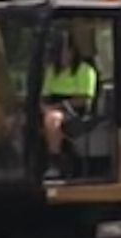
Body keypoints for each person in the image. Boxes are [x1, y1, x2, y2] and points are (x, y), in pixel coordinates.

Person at [41, 31, 100, 176]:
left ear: (73, 51)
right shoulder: (52, 71)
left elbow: (83, 99)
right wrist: (41, 106)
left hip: (75, 111)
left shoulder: (85, 71)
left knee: (52, 119)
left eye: (64, 50)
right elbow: (45, 95)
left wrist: (55, 107)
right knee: (17, 119)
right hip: (51, 107)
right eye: (58, 51)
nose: (61, 55)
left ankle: (55, 163)